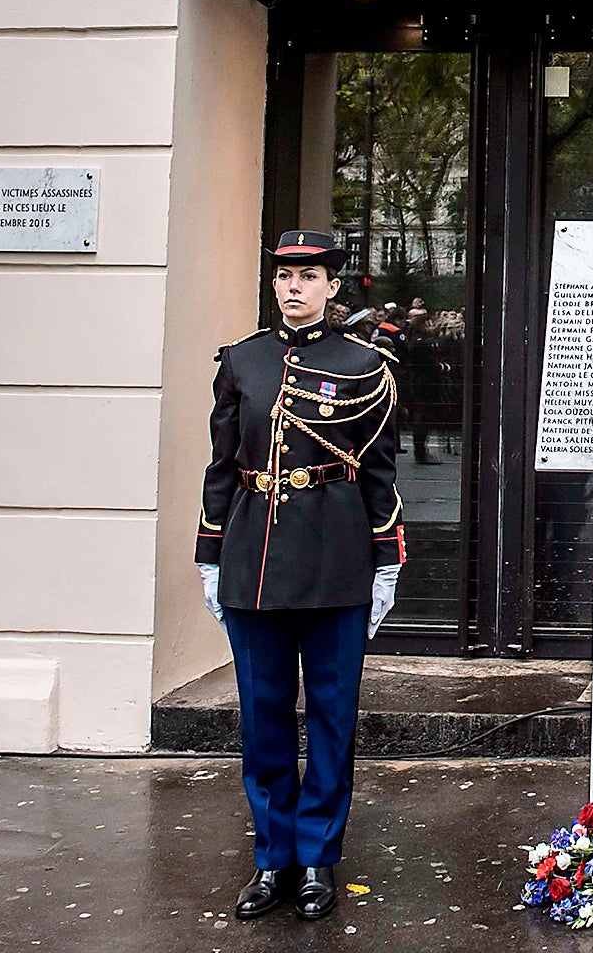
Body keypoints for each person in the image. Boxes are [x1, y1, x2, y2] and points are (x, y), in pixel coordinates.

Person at [195, 229, 406, 922]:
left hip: (338, 561)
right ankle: (272, 859)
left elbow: (380, 474)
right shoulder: (243, 363)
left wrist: (387, 562)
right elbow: (223, 464)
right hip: (253, 562)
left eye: (308, 275)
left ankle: (317, 858)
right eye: (285, 275)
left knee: (331, 717)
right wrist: (207, 551)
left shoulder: (365, 366)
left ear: (332, 286)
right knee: (262, 722)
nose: (293, 287)